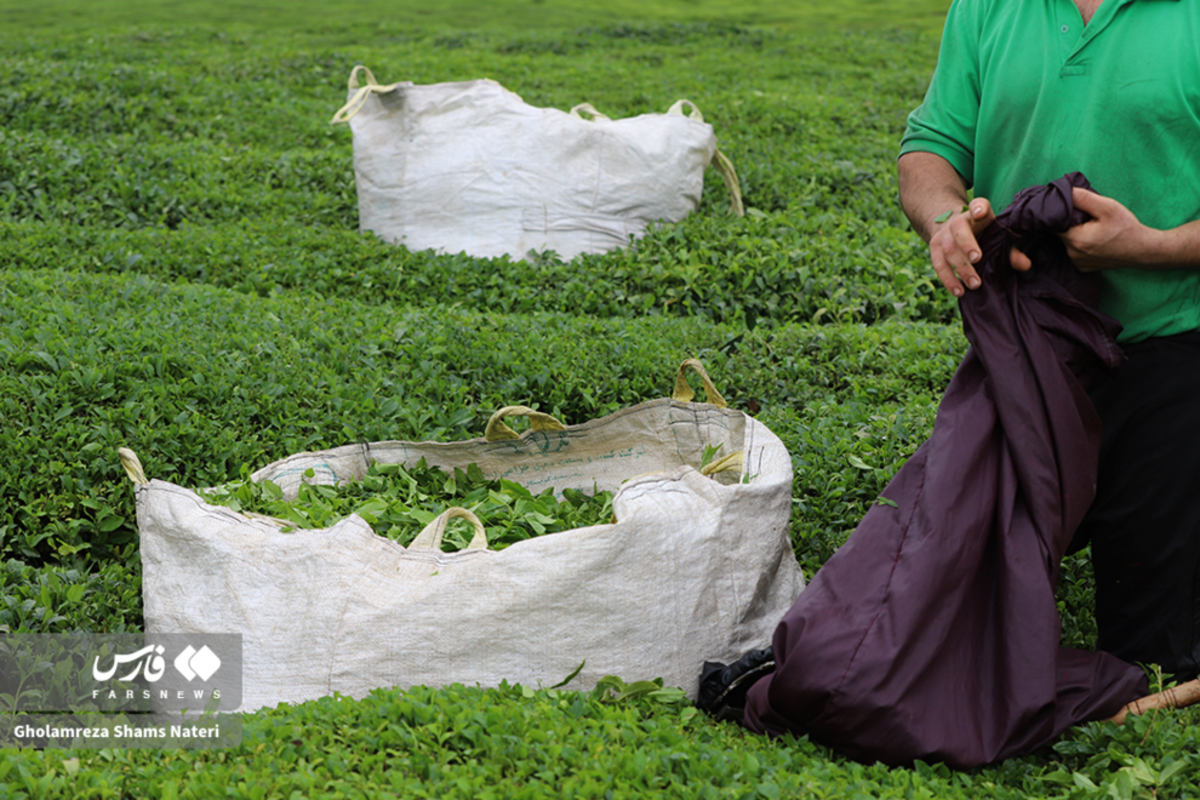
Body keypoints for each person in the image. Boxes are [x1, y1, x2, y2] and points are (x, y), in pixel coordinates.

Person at [897, 0, 1200, 680]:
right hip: (1024, 345)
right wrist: (945, 217)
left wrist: (1149, 247)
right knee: (938, 606)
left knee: (1148, 648)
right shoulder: (986, 8)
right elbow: (930, 148)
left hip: (1174, 353)